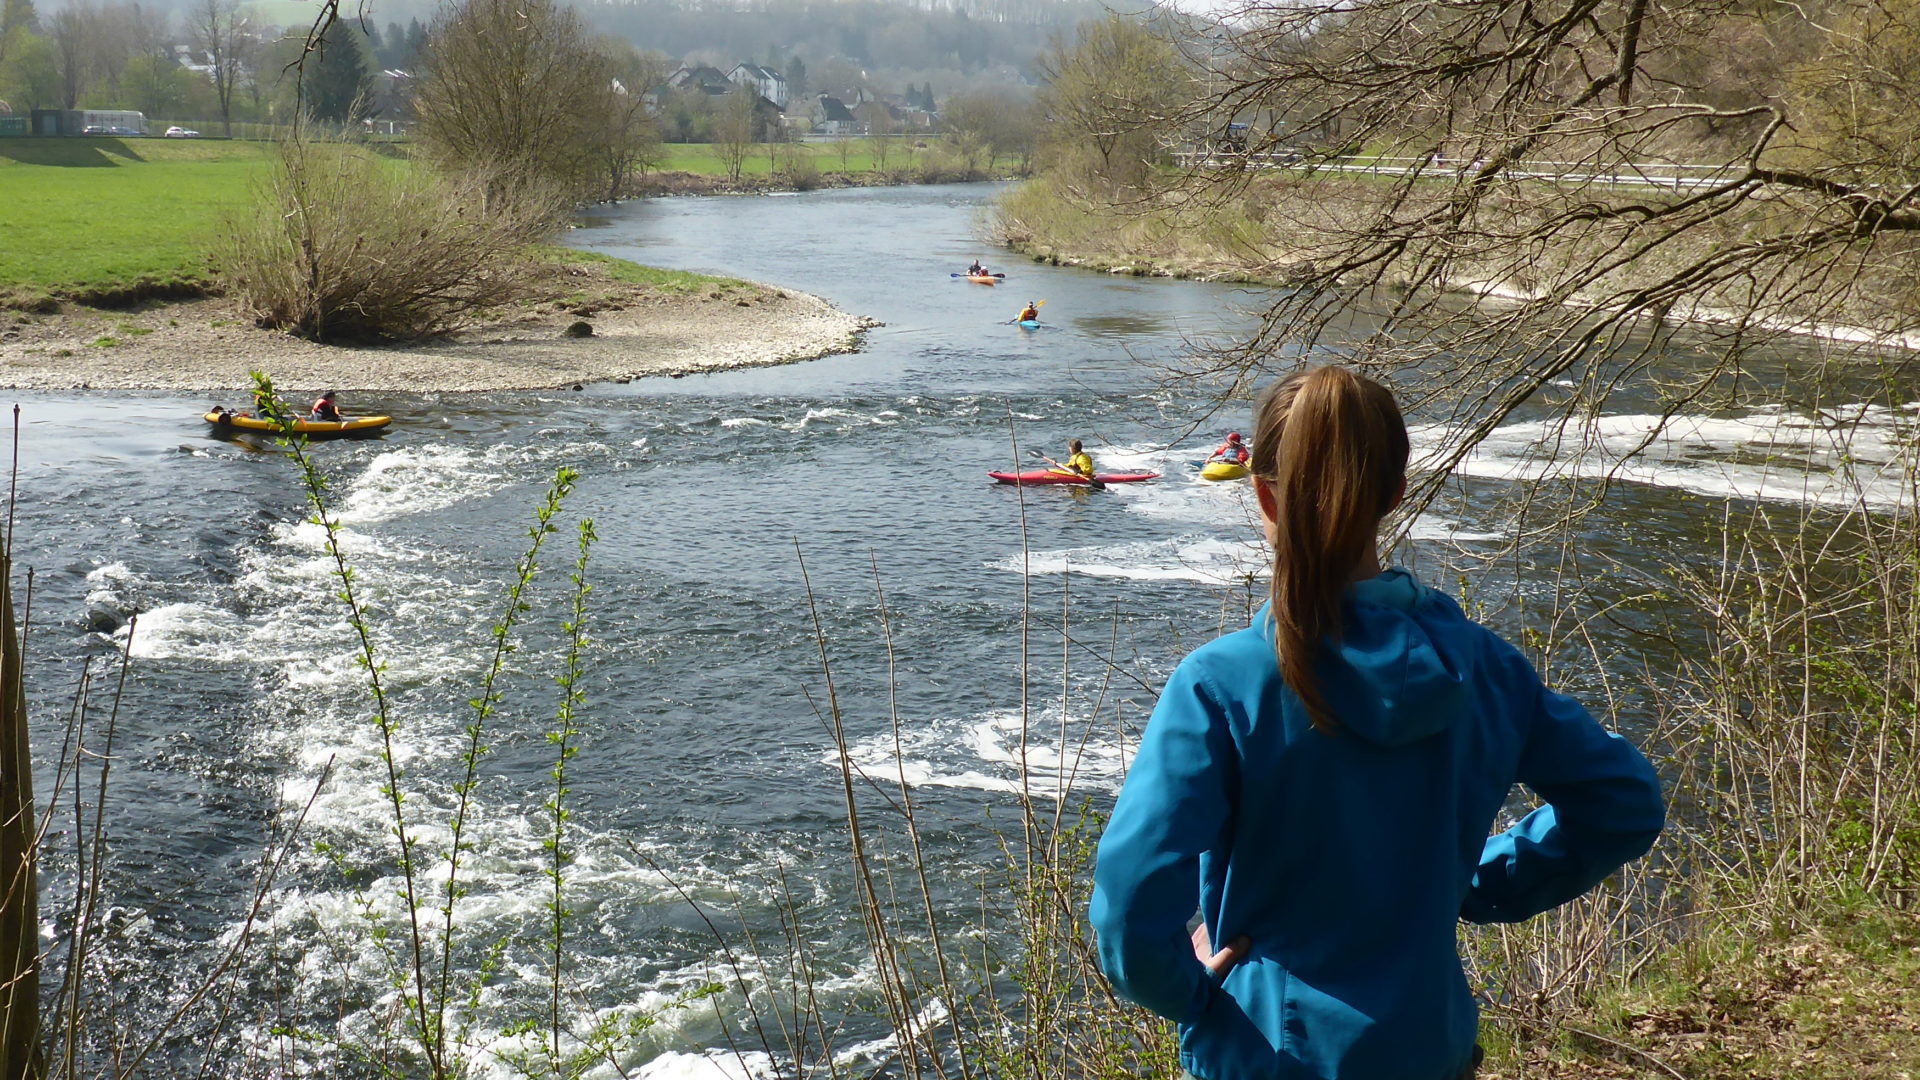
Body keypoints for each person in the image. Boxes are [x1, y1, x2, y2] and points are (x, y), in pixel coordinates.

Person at [1090, 366, 1663, 1080]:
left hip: (1270, 1052)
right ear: (1395, 492)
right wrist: (1470, 882)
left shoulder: (1220, 684)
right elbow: (1624, 804)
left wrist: (1193, 991)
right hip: (1429, 1043)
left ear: (1262, 494)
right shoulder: (1486, 667)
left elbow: (1128, 906)